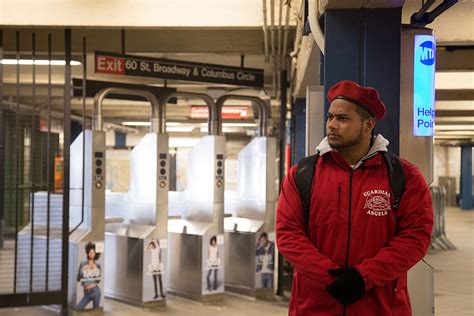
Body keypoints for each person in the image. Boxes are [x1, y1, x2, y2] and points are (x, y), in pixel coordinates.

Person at [276, 80, 433, 315]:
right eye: (330, 117)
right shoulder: (303, 174)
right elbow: (288, 234)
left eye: (343, 118)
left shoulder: (404, 176)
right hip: (315, 306)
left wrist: (363, 277)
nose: (332, 125)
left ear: (368, 125)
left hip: (380, 307)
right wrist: (330, 277)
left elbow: (415, 237)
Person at [76, 242, 101, 310]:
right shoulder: (83, 263)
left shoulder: (97, 265)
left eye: (93, 253)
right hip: (86, 293)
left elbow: (98, 280)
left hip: (95, 291)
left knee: (96, 312)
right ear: (87, 252)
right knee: (78, 309)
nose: (91, 254)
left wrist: (95, 269)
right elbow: (78, 279)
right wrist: (83, 269)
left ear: (95, 254)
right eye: (90, 252)